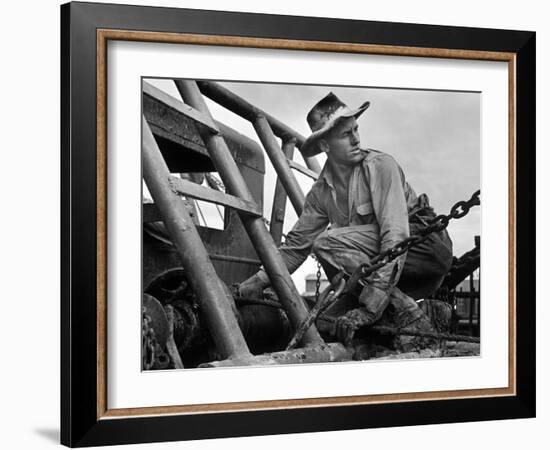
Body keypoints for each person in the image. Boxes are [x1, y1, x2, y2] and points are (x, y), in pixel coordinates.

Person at [237, 92, 453, 345]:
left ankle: (407, 313)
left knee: (328, 243)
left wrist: (371, 307)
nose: (356, 139)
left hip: (424, 249)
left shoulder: (380, 166)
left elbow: (395, 237)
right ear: (326, 146)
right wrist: (257, 282)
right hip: (380, 269)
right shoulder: (320, 194)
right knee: (325, 325)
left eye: (356, 129)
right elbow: (295, 249)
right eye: (346, 134)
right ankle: (420, 316)